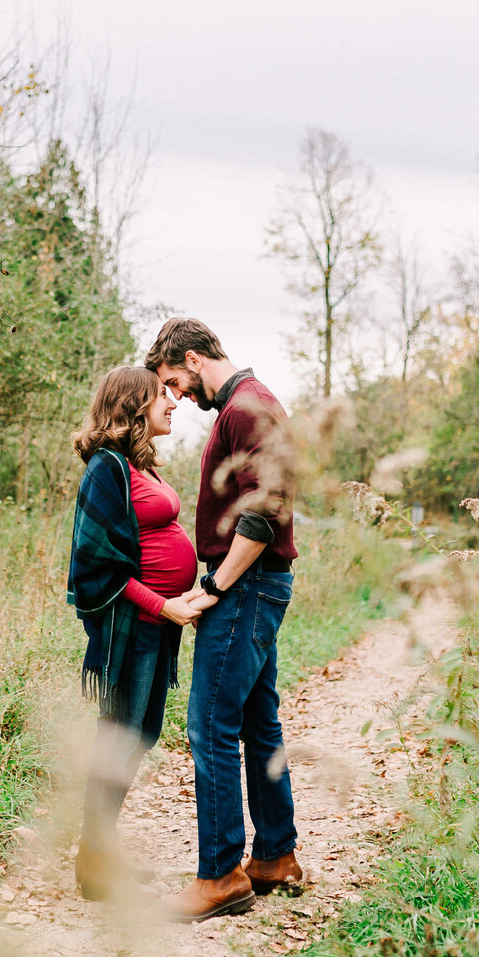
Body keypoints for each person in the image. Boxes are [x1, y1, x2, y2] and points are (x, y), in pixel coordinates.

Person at [145, 317, 306, 922]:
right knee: (258, 720)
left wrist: (216, 583)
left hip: (246, 588)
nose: (177, 396)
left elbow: (264, 516)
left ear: (191, 357)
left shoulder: (247, 408)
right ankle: (274, 858)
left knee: (209, 725)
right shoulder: (246, 406)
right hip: (257, 588)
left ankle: (219, 875)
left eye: (174, 381)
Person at [67, 365, 202, 901]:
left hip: (157, 625)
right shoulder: (106, 469)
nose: (172, 404)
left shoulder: (138, 466)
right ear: (130, 407)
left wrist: (184, 598)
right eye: (160, 397)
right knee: (119, 739)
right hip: (133, 628)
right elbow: (96, 564)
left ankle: (99, 853)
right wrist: (160, 604)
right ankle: (95, 865)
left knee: (137, 737)